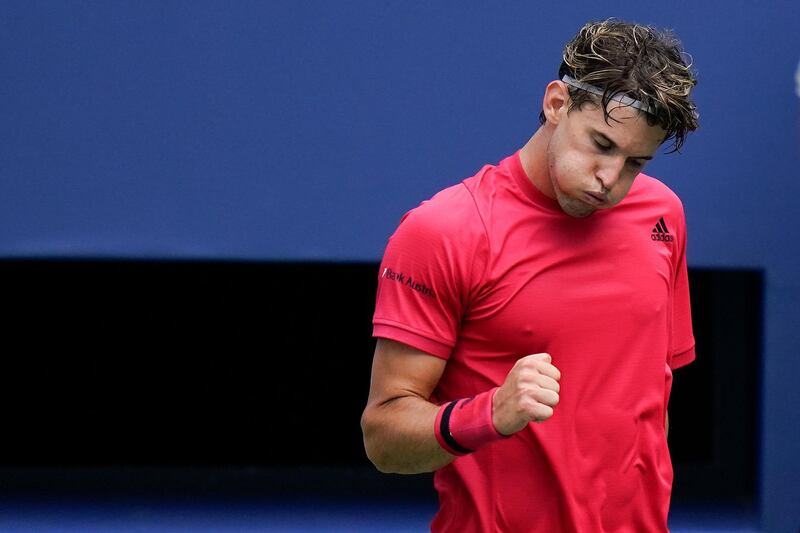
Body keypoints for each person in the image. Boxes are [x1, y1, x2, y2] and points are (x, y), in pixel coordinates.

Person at [361, 19, 699, 532]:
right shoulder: (443, 231)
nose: (612, 181)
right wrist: (490, 413)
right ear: (557, 103)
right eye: (601, 145)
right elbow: (383, 439)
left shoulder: (663, 217)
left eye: (636, 163)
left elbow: (653, 403)